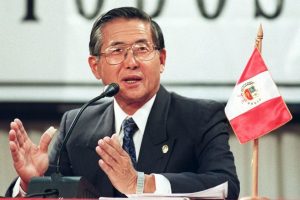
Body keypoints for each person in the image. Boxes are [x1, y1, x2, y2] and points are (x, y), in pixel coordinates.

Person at [6, 7, 240, 199]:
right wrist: (31, 183)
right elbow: (55, 193)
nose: (131, 62)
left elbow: (226, 185)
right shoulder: (77, 124)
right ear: (95, 67)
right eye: (117, 51)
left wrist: (142, 183)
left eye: (142, 49)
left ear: (162, 59)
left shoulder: (200, 116)